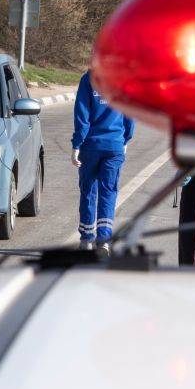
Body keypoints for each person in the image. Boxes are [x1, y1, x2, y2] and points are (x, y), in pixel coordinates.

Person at [71, 70, 135, 254]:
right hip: (114, 145)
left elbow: (81, 114)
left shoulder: (88, 78)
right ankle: (104, 241)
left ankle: (86, 239)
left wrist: (77, 144)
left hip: (90, 146)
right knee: (108, 192)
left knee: (88, 191)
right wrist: (125, 139)